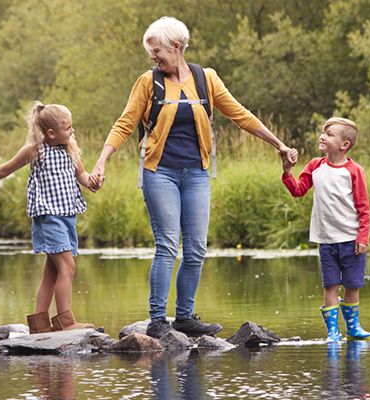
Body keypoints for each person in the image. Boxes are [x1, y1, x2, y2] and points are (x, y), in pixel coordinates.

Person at [90, 16, 298, 339]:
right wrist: (102, 160)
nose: (153, 58)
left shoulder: (206, 79)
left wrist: (279, 144)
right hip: (160, 173)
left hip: (197, 174)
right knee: (168, 244)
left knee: (197, 248)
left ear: (177, 46)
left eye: (157, 50)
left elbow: (240, 115)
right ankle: (158, 319)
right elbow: (125, 123)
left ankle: (185, 316)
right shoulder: (149, 82)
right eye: (150, 53)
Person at [0, 101, 98, 333]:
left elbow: (81, 174)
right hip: (48, 216)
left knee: (52, 271)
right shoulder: (35, 150)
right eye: (68, 128)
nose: (72, 131)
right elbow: (4, 170)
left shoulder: (70, 148)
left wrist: (92, 182)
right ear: (51, 133)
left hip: (67, 215)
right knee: (68, 267)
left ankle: (39, 324)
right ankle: (65, 320)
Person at [280, 117, 370, 342]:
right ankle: (333, 332)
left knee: (352, 284)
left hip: (351, 240)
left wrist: (363, 237)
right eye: (323, 132)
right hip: (326, 240)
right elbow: (298, 190)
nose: (322, 136)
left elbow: (364, 207)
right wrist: (287, 172)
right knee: (330, 284)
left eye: (330, 134)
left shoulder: (354, 171)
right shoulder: (315, 166)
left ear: (345, 145)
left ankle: (353, 328)